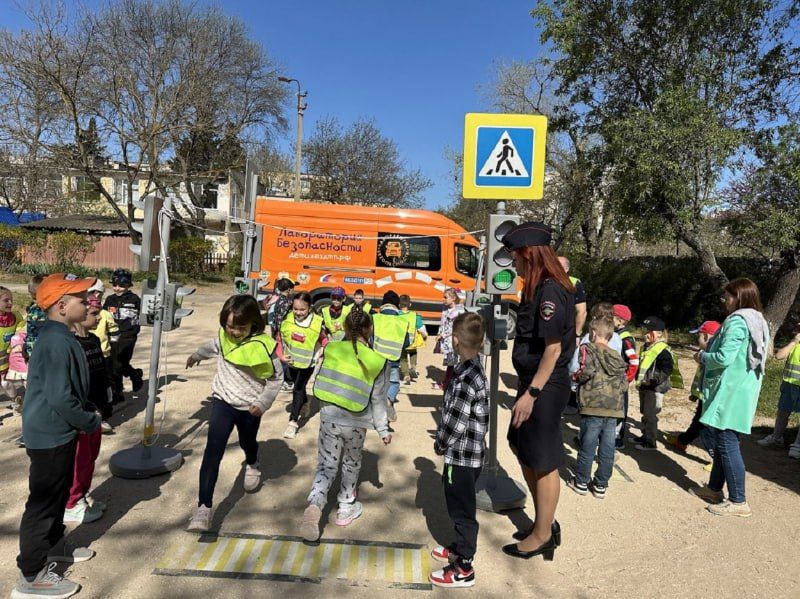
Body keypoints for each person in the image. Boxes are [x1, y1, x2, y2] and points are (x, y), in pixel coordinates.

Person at [14, 273, 100, 599]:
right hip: (48, 435)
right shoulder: (54, 342)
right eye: (81, 298)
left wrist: (87, 408)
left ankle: (53, 548)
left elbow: (73, 389)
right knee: (43, 504)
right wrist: (89, 421)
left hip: (60, 431)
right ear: (62, 306)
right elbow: (60, 397)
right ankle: (31, 574)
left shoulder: (62, 336)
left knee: (59, 496)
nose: (88, 302)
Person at [501, 222, 575, 561]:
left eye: (515, 257)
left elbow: (553, 350)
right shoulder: (537, 287)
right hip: (533, 381)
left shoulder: (549, 291)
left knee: (543, 460)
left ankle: (543, 534)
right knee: (521, 444)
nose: (513, 264)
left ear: (529, 255)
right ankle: (544, 521)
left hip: (544, 385)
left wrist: (531, 394)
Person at [186, 295, 283, 532]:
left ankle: (252, 462)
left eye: (240, 327)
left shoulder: (264, 347)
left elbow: (276, 378)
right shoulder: (223, 337)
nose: (234, 332)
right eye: (229, 326)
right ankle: (204, 509)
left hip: (250, 407)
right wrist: (197, 355)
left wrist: (263, 402)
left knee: (247, 441)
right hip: (223, 402)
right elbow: (212, 346)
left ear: (253, 323)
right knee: (212, 451)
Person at [300, 309, 390, 542]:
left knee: (326, 465)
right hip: (356, 421)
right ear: (369, 329)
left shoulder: (332, 348)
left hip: (329, 416)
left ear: (346, 328)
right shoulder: (377, 361)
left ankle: (316, 502)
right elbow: (379, 399)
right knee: (351, 462)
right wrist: (383, 429)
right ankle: (345, 506)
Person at [690, 278, 769, 517]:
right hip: (742, 388)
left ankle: (738, 500)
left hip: (731, 390)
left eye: (728, 296)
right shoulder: (758, 320)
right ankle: (714, 489)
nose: (724, 300)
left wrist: (702, 356)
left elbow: (723, 358)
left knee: (726, 441)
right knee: (724, 437)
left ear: (740, 297)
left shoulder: (738, 322)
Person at [428, 313, 488, 589]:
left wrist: (440, 443)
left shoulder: (467, 377)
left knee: (461, 509)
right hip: (467, 454)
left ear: (454, 340)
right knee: (457, 503)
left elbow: (455, 421)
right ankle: (458, 546)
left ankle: (464, 565)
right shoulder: (471, 367)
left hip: (462, 456)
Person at [568, 318, 627, 499]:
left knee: (588, 444)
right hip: (614, 407)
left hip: (593, 405)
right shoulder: (617, 355)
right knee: (608, 446)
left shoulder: (587, 349)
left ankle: (581, 481)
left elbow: (584, 371)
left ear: (593, 333)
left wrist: (575, 380)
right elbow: (624, 383)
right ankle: (601, 484)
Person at [64, 299, 110, 524]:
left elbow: (101, 370)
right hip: (83, 412)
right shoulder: (71, 344)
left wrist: (107, 398)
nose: (99, 317)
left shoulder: (92, 340)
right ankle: (72, 503)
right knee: (79, 460)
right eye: (94, 313)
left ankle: (82, 493)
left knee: (91, 456)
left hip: (96, 409)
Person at [665, 321, 721, 468]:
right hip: (704, 396)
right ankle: (682, 441)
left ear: (707, 336)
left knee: (706, 428)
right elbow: (701, 378)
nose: (697, 340)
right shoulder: (706, 354)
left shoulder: (712, 356)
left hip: (711, 398)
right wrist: (695, 393)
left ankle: (718, 460)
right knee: (698, 421)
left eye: (699, 336)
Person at [279, 292, 325, 439]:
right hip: (291, 362)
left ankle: (293, 422)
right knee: (295, 383)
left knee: (298, 388)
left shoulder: (317, 322)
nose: (298, 313)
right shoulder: (287, 318)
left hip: (308, 363)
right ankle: (305, 402)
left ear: (310, 308)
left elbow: (324, 339)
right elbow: (279, 338)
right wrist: (281, 356)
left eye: (302, 310)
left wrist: (326, 352)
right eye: (296, 309)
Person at [633, 316, 682, 451]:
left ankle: (650, 442)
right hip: (645, 386)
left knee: (650, 415)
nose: (645, 334)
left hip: (655, 388)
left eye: (649, 331)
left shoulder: (663, 350)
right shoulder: (646, 347)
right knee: (645, 412)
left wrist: (654, 380)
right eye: (645, 330)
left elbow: (667, 369)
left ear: (659, 333)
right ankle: (644, 436)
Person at [756, 323, 800, 458]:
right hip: (788, 384)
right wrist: (793, 342)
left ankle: (797, 445)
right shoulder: (795, 344)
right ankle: (776, 437)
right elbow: (779, 356)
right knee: (782, 412)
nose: (797, 330)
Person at [103, 268, 143, 402]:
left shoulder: (135, 299)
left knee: (119, 362)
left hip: (128, 336)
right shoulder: (109, 300)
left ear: (128, 285)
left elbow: (145, 315)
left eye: (122, 285)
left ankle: (132, 376)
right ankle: (118, 391)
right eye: (114, 285)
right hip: (112, 335)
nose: (117, 288)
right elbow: (103, 315)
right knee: (114, 364)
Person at [372, 291, 411, 422]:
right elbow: (407, 342)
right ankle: (389, 400)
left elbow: (370, 338)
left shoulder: (375, 318)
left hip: (377, 359)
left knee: (377, 385)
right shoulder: (402, 321)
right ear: (397, 305)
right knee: (394, 383)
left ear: (383, 304)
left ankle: (376, 413)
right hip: (394, 360)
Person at [613, 304, 639, 448]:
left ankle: (617, 439)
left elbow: (634, 362)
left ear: (621, 321)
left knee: (620, 410)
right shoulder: (614, 334)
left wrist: (627, 379)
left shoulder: (626, 339)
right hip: (612, 380)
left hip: (621, 380)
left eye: (611, 317)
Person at [435, 288, 465, 391]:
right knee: (451, 363)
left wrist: (443, 335)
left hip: (455, 341)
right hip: (447, 341)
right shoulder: (445, 309)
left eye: (446, 297)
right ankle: (447, 383)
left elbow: (459, 328)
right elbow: (443, 323)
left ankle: (447, 385)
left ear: (453, 298)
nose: (444, 299)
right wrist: (440, 334)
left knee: (453, 364)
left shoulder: (459, 311)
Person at [87, 280, 119, 361]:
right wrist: (113, 346)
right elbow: (114, 333)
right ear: (98, 294)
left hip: (86, 353)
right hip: (104, 354)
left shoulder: (78, 313)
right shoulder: (105, 314)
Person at [399, 294, 427, 385]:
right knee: (413, 353)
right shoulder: (415, 316)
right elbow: (421, 328)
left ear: (399, 305)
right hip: (412, 341)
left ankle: (406, 376)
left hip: (401, 341)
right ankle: (413, 367)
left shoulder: (396, 315)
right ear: (410, 304)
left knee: (403, 358)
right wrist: (425, 336)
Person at [0, 285, 25, 385]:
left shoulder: (16, 317)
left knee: (5, 383)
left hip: (8, 361)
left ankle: (16, 399)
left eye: (11, 300)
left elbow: (21, 333)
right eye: (6, 300)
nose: (10, 303)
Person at [557, 256, 587, 339]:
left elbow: (582, 312)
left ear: (566, 269)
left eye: (558, 265)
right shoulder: (545, 281)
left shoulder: (574, 283)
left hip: (566, 332)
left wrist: (576, 334)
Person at [23, 274, 46, 360]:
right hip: (36, 355)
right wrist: (29, 352)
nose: (37, 302)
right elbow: (31, 334)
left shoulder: (56, 310)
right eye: (34, 298)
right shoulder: (33, 310)